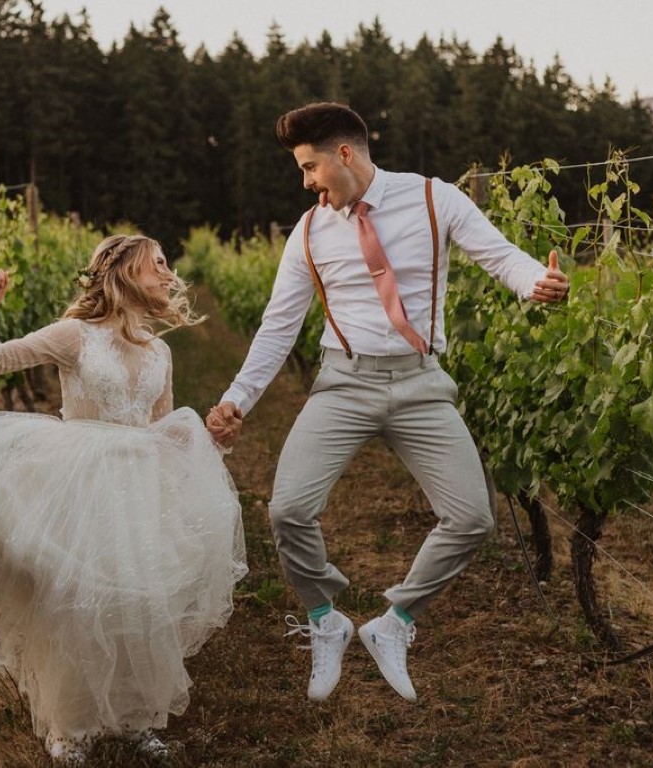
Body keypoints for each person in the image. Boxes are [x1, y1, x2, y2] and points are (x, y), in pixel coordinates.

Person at [206, 102, 568, 704]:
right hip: (343, 384)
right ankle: (326, 618)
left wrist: (536, 282)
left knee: (472, 518)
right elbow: (278, 326)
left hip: (420, 384)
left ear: (344, 154)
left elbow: (499, 254)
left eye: (309, 166)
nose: (306, 182)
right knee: (288, 510)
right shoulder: (309, 231)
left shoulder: (434, 198)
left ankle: (392, 623)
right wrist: (237, 397)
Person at [0, 234, 247, 764]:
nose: (166, 272)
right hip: (82, 479)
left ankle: (136, 715)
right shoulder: (76, 336)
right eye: (155, 264)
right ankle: (72, 724)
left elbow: (160, 426)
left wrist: (209, 443)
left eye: (166, 264)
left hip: (137, 483)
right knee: (77, 601)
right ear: (124, 273)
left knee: (142, 600)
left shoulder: (160, 351)